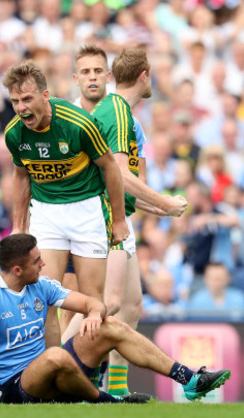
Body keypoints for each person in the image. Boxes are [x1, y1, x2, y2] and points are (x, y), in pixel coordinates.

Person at [0, 233, 231, 404]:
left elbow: (91, 302)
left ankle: (190, 379)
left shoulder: (41, 284)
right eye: (36, 261)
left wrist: (95, 313)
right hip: (17, 388)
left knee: (108, 326)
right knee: (55, 357)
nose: (43, 264)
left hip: (54, 371)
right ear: (17, 269)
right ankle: (107, 401)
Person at [69, 45, 188, 394]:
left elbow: (132, 186)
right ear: (144, 76)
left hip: (120, 214)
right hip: (104, 217)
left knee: (131, 303)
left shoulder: (122, 114)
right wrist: (165, 202)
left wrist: (160, 207)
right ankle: (53, 366)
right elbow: (120, 175)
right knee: (107, 302)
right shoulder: (117, 112)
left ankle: (117, 389)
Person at [2, 60, 128, 348]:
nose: (21, 108)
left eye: (27, 99)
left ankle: (91, 382)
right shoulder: (13, 133)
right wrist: (19, 227)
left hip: (86, 209)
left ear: (45, 96)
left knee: (93, 303)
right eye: (15, 101)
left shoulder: (79, 123)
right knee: (44, 299)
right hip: (46, 213)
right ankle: (51, 375)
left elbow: (111, 167)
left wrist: (119, 219)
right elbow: (21, 176)